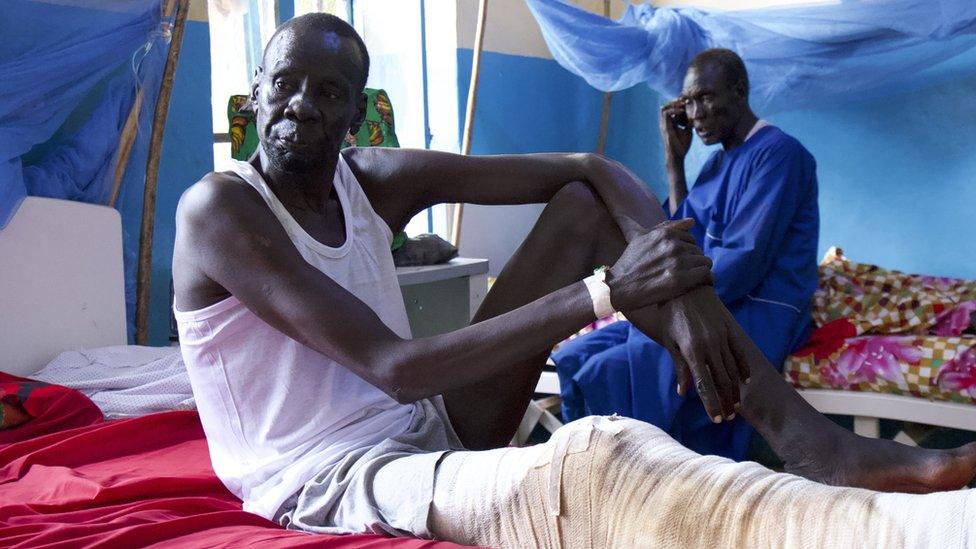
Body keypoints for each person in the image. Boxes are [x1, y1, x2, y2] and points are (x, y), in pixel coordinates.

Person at [172, 14, 976, 544]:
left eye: (329, 92)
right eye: (283, 84)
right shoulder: (220, 211)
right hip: (327, 476)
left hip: (425, 424)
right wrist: (608, 294)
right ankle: (833, 494)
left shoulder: (373, 177)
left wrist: (686, 301)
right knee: (595, 465)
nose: (300, 107)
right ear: (255, 92)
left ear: (357, 112)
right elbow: (392, 364)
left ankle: (811, 443)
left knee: (584, 209)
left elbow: (591, 171)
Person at [553, 48, 818, 460]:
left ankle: (645, 479)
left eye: (706, 97)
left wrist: (662, 296)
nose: (695, 113)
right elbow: (678, 234)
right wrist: (674, 162)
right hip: (703, 298)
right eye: (688, 102)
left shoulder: (779, 154)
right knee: (573, 355)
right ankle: (593, 473)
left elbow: (743, 263)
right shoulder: (715, 164)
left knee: (611, 367)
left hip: (753, 307)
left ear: (739, 91)